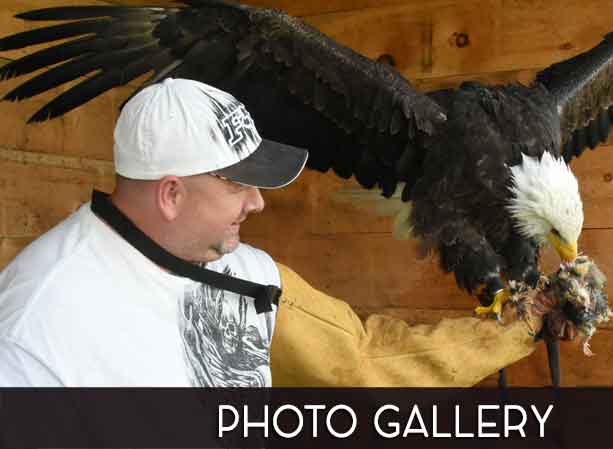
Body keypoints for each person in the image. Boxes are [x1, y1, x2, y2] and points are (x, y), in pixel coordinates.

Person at [0, 78, 538, 387]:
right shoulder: (36, 331)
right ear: (171, 194)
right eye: (240, 185)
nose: (258, 203)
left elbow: (364, 361)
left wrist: (520, 325)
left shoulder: (245, 271)